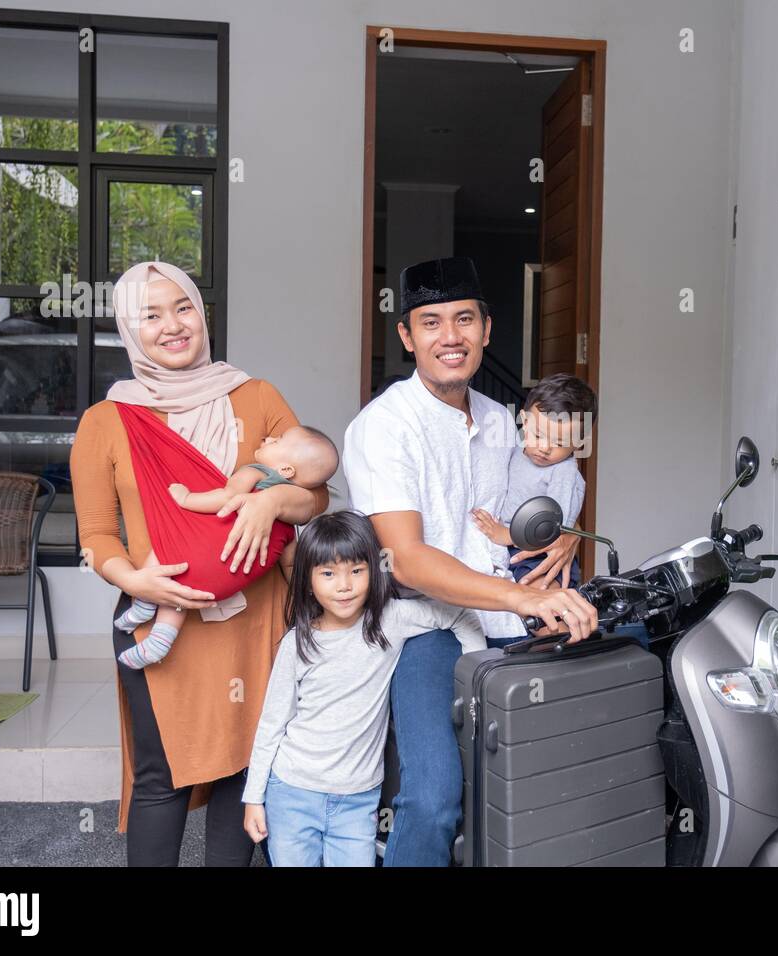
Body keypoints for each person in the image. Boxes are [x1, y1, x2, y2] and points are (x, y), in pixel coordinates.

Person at [343, 255, 598, 866]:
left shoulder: (501, 421)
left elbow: (546, 492)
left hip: (507, 623)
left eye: (464, 319)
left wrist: (570, 532)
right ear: (406, 337)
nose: (449, 336)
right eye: (430, 323)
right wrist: (524, 596)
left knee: (551, 771)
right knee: (433, 800)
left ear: (487, 329)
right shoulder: (384, 427)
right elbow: (404, 559)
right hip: (425, 629)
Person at [70, 260, 328, 866]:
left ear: (202, 313)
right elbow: (96, 533)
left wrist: (271, 504)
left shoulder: (257, 396)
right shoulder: (106, 421)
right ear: (130, 330)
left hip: (254, 619)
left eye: (182, 307)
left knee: (246, 767)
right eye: (150, 315)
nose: (172, 326)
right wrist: (132, 578)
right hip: (158, 615)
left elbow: (313, 492)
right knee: (163, 777)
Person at [241, 511, 484, 867]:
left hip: (357, 801)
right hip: (293, 790)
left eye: (356, 571)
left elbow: (459, 614)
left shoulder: (392, 620)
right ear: (308, 580)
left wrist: (473, 672)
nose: (344, 585)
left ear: (374, 569)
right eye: (328, 573)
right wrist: (254, 798)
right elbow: (272, 723)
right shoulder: (297, 643)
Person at [114, 425, 339, 669]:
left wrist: (186, 498)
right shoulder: (289, 518)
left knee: (168, 548)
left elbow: (226, 496)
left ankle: (144, 605)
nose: (269, 438)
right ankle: (160, 639)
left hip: (204, 555)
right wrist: (300, 591)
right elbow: (290, 560)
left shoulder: (255, 472)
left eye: (278, 440)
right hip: (230, 578)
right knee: (185, 585)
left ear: (285, 469)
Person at [471, 372, 597, 592]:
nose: (544, 448)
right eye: (538, 435)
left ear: (578, 443)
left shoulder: (564, 473)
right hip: (511, 548)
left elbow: (554, 530)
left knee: (544, 601)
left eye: (559, 442)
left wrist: (505, 535)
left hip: (539, 554)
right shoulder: (516, 450)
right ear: (525, 421)